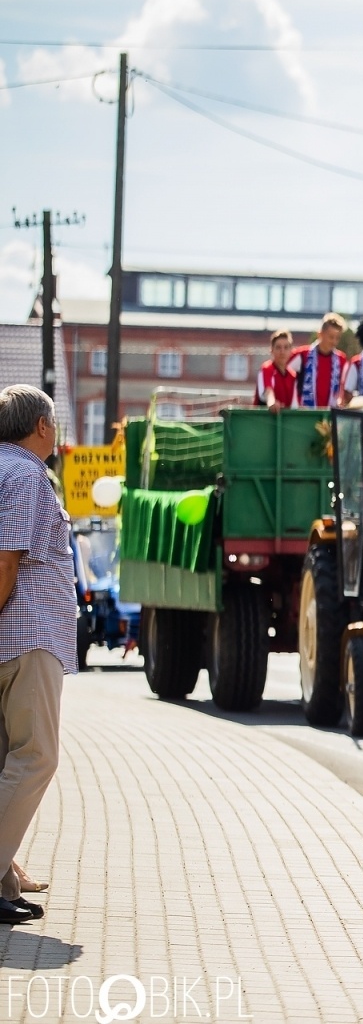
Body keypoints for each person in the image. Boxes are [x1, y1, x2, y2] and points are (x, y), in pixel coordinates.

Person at [0, 385, 76, 924]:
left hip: (17, 637)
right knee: (36, 757)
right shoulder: (26, 474)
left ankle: (4, 883)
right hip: (28, 634)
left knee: (8, 759)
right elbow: (7, 560)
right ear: (42, 427)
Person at [286, 313, 348, 409]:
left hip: (330, 414)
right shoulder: (302, 354)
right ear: (320, 334)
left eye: (337, 338)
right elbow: (283, 377)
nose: (334, 342)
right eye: (331, 337)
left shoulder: (341, 359)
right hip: (305, 414)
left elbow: (344, 388)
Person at [256, 329, 297, 409]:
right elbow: (268, 391)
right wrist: (272, 403)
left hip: (285, 420)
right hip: (262, 419)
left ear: (291, 351)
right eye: (278, 347)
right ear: (271, 350)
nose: (282, 351)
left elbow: (295, 405)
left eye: (286, 347)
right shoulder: (267, 368)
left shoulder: (293, 375)